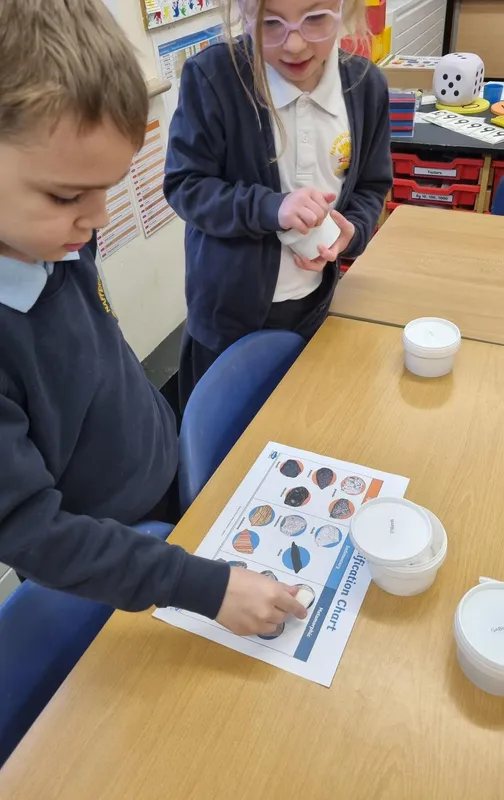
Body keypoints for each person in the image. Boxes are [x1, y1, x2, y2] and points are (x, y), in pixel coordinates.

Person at [0, 0, 306, 638]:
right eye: (66, 195)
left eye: (106, 189)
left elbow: (97, 357)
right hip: (101, 568)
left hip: (159, 480)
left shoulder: (53, 238)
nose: (97, 219)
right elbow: (32, 531)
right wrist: (200, 587)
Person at [165, 0, 393, 407]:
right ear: (244, 15)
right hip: (227, 317)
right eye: (271, 24)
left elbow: (371, 185)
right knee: (226, 428)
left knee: (301, 418)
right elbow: (186, 185)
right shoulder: (213, 78)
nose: (294, 45)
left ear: (343, 9)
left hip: (316, 306)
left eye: (315, 19)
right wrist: (272, 208)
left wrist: (352, 230)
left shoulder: (365, 86)